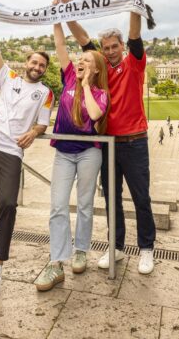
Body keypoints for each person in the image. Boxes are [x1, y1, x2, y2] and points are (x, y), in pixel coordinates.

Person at [59, 0, 156, 274]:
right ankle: (116, 247)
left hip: (134, 141)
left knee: (141, 197)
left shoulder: (134, 64)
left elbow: (136, 33)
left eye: (115, 46)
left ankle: (147, 249)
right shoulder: (98, 68)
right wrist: (66, 12)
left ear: (123, 47)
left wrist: (131, 1)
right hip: (107, 142)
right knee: (112, 198)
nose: (111, 51)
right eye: (107, 48)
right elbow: (81, 39)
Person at [0, 14, 53, 301]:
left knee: (7, 203)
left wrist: (35, 130)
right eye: (34, 62)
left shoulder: (45, 93)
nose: (37, 67)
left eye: (42, 65)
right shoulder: (9, 76)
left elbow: (43, 123)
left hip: (11, 151)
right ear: (26, 63)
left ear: (44, 70)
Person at [34, 22, 109, 292]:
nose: (80, 61)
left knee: (85, 205)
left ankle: (81, 250)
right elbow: (60, 46)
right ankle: (56, 261)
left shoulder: (100, 93)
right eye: (80, 59)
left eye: (87, 60)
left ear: (97, 69)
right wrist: (58, 19)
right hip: (64, 153)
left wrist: (86, 84)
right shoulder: (67, 77)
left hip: (89, 152)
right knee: (57, 206)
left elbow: (95, 114)